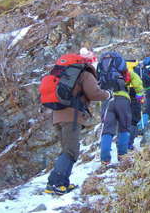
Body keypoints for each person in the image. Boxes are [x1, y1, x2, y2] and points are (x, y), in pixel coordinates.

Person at [44, 54, 110, 195]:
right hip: (71, 116)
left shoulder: (63, 72)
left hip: (57, 114)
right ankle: (57, 184)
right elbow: (94, 93)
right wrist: (108, 95)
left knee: (66, 150)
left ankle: (57, 183)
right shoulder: (85, 73)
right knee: (71, 151)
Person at [99, 52, 143, 165]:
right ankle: (123, 155)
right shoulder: (124, 71)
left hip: (107, 100)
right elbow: (136, 80)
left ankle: (105, 158)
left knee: (107, 130)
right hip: (123, 99)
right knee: (124, 127)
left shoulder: (101, 70)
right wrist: (139, 94)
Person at [125, 60, 145, 151]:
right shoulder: (137, 68)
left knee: (124, 120)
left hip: (124, 94)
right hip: (135, 95)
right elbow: (140, 82)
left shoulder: (122, 66)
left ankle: (122, 142)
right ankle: (129, 144)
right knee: (134, 120)